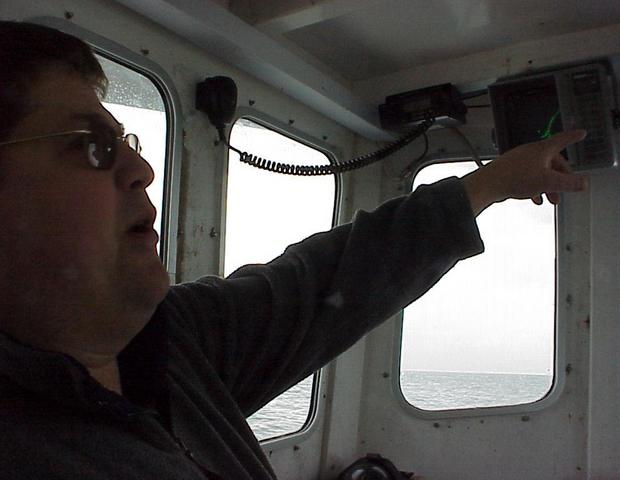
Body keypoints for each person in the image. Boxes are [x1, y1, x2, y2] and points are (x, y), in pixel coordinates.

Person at [0, 21, 587, 480]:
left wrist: (489, 183)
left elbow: (328, 281)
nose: (142, 168)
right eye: (92, 148)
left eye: (125, 140)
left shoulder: (175, 340)